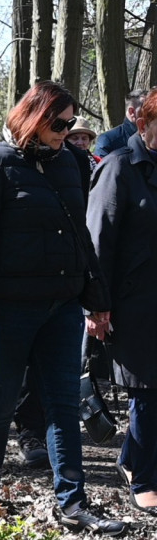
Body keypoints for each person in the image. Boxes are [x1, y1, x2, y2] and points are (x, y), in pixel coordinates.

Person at [0, 80, 127, 536]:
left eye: (71, 123)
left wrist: (97, 300)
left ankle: (73, 502)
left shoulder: (70, 161)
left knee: (63, 407)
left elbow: (82, 238)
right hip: (5, 310)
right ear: (33, 116)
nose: (66, 131)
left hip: (62, 306)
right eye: (58, 122)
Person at [87, 87, 157, 517]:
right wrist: (96, 307)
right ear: (142, 122)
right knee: (148, 390)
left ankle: (132, 460)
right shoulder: (117, 168)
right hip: (132, 303)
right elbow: (98, 243)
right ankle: (146, 478)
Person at [95, 89, 145, 158]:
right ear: (132, 112)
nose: (153, 113)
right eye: (147, 109)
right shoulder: (107, 140)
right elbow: (103, 167)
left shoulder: (153, 138)